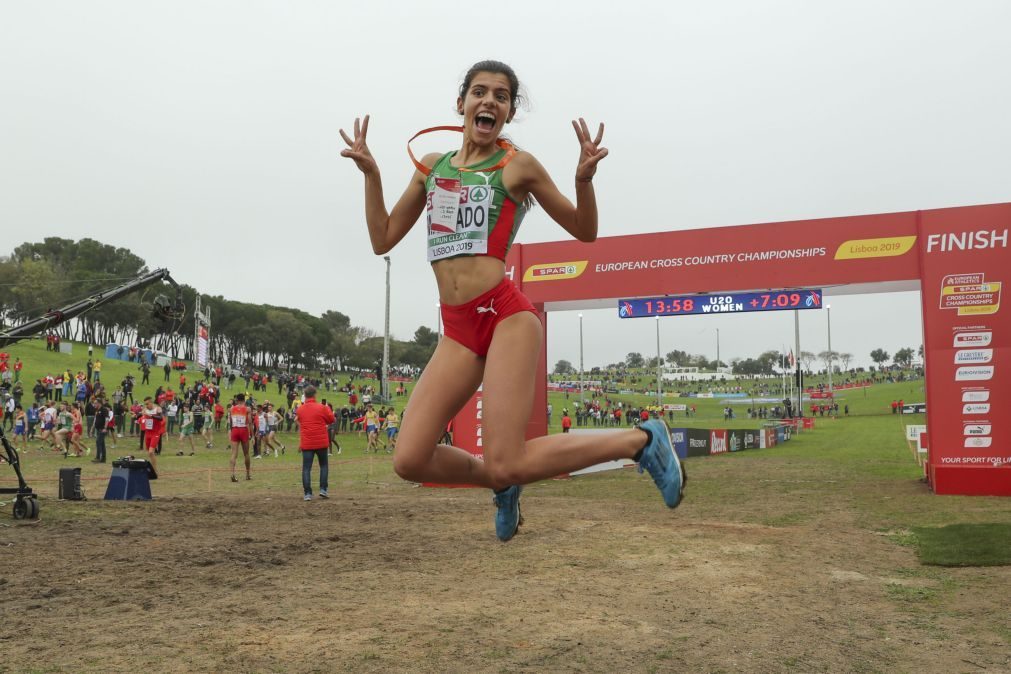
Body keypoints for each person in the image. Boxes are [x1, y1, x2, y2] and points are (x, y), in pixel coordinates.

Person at [339, 60, 684, 541]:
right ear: (460, 103)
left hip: (505, 316)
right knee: (409, 459)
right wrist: (371, 174)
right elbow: (382, 238)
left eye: (501, 97)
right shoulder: (430, 169)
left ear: (508, 112)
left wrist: (583, 180)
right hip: (458, 329)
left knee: (510, 458)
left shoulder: (516, 164)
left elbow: (585, 232)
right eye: (479, 92)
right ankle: (502, 486)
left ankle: (643, 440)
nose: (489, 102)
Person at [296, 386, 335, 501]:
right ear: (315, 395)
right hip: (321, 442)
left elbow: (300, 421)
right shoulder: (322, 407)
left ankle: (307, 493)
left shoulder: (300, 409)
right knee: (323, 466)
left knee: (306, 468)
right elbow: (331, 420)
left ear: (305, 395)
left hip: (307, 443)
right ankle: (323, 489)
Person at [229, 394, 253, 482]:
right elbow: (250, 423)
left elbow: (231, 422)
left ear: (237, 400)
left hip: (234, 430)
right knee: (246, 453)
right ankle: (247, 474)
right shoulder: (247, 409)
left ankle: (232, 474)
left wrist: (231, 432)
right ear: (244, 400)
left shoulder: (231, 409)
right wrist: (252, 435)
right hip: (243, 430)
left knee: (234, 454)